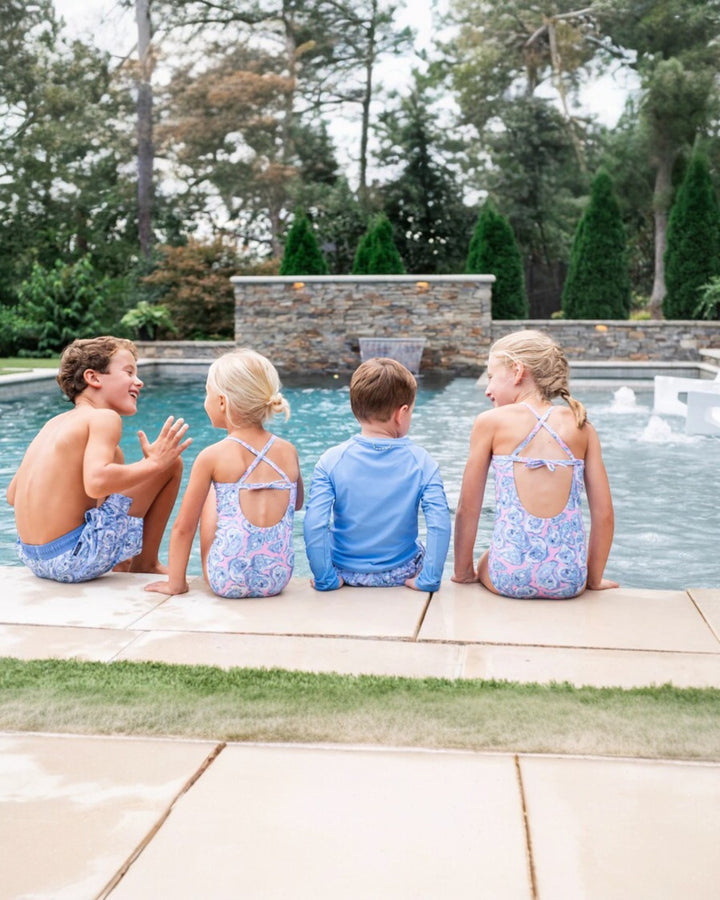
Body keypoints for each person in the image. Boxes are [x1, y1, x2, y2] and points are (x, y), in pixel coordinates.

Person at [7, 336, 191, 583]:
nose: (139, 381)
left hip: (33, 558)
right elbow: (96, 482)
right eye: (129, 372)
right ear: (93, 378)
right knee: (170, 464)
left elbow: (12, 495)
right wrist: (153, 464)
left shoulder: (53, 424)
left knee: (115, 459)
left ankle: (123, 561)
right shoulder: (104, 417)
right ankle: (146, 563)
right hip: (74, 559)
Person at [453, 329, 618, 599]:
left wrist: (462, 573)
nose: (487, 389)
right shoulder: (582, 426)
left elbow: (468, 508)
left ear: (517, 371)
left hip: (508, 576)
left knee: (488, 556)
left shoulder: (490, 422)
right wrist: (593, 580)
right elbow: (605, 515)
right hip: (570, 579)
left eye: (491, 377)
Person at [145, 348, 303, 599]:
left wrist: (176, 584)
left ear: (222, 402)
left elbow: (184, 527)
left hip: (227, 579)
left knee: (213, 489)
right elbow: (297, 503)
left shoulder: (212, 456)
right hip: (277, 579)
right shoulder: (288, 450)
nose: (204, 401)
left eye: (206, 393)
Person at [304, 357, 451, 592]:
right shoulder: (422, 462)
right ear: (401, 413)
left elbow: (315, 525)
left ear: (355, 408)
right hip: (401, 571)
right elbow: (439, 524)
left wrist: (325, 578)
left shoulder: (330, 461)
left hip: (344, 571)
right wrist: (429, 579)